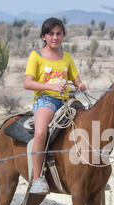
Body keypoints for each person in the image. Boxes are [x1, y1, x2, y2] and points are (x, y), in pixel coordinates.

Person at [24, 17, 86, 194]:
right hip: (46, 100)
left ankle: (94, 173)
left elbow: (77, 80)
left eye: (59, 33)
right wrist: (49, 86)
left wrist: (81, 85)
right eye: (51, 34)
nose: (55, 37)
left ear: (63, 35)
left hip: (67, 101)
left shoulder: (66, 57)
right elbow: (28, 83)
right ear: (44, 36)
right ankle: (37, 178)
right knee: (41, 131)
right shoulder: (36, 56)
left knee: (91, 124)